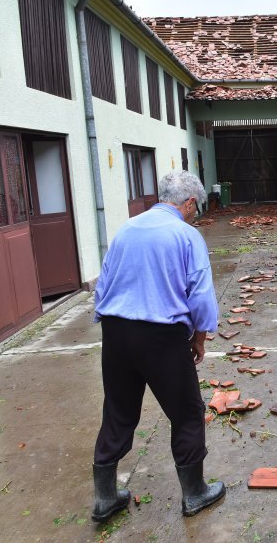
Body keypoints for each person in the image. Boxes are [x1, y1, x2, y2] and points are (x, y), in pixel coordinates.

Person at [91, 170, 224, 522]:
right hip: (162, 337)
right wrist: (198, 339)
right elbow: (201, 297)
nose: (196, 214)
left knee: (118, 412)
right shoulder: (186, 235)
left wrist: (108, 325)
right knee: (187, 413)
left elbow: (102, 284)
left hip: (116, 333)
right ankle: (194, 493)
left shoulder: (127, 229)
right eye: (197, 208)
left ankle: (105, 497)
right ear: (189, 203)